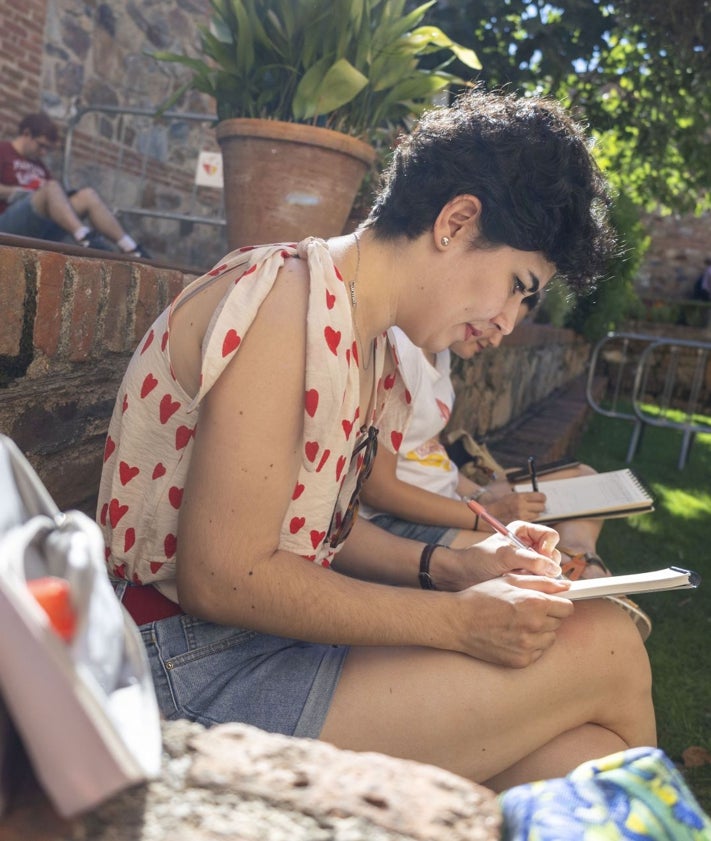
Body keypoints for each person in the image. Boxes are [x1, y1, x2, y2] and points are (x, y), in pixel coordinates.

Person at [97, 88, 656, 791]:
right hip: (182, 672)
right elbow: (224, 575)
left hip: (247, 647)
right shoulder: (284, 300)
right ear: (455, 221)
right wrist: (457, 622)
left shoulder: (367, 342)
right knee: (605, 646)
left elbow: (314, 528)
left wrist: (454, 567)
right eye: (517, 286)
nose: (509, 321)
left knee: (581, 754)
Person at [357, 309, 653, 639]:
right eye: (502, 305)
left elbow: (429, 451)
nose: (501, 334)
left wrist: (481, 494)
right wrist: (485, 517)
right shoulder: (399, 350)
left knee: (584, 474)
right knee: (532, 565)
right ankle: (581, 573)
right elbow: (378, 490)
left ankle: (581, 553)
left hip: (457, 492)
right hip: (417, 514)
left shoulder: (440, 350)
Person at [0, 112, 150, 257]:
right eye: (41, 146)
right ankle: (84, 237)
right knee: (51, 187)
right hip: (8, 224)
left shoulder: (39, 166)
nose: (43, 153)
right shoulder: (4, 150)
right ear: (26, 134)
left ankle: (131, 248)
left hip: (39, 225)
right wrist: (19, 191)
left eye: (48, 149)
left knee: (87, 196)